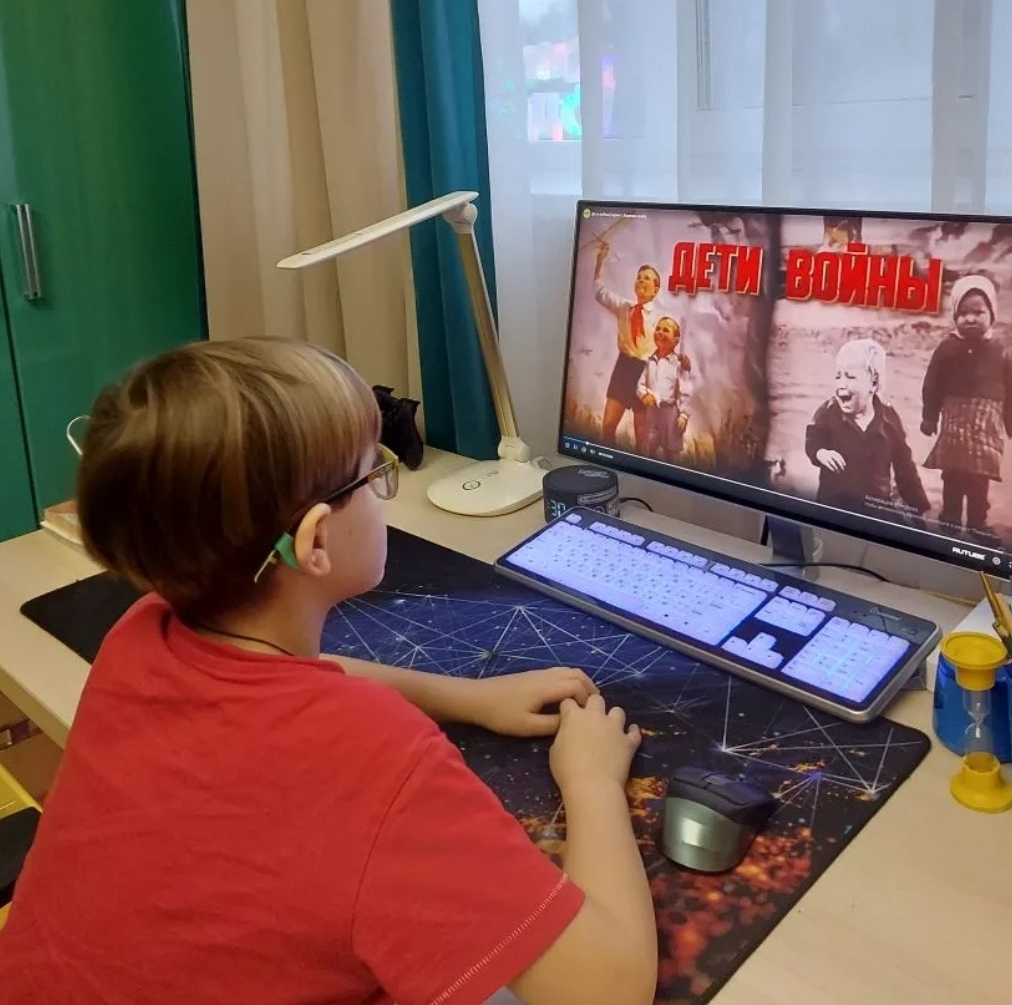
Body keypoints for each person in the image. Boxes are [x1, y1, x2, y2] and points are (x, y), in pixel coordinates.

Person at [0, 339, 657, 1005]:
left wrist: (470, 697)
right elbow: (608, 990)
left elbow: (307, 679)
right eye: (374, 476)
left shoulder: (143, 635)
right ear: (313, 541)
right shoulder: (373, 755)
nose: (383, 493)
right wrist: (591, 779)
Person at [920, 274, 1012, 536]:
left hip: (985, 431)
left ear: (992, 314)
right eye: (963, 313)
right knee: (952, 477)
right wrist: (929, 417)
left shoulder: (1001, 352)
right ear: (955, 316)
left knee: (980, 480)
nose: (970, 318)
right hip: (954, 429)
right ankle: (950, 519)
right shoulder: (947, 349)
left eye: (978, 312)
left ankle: (978, 523)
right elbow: (932, 384)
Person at [805, 338, 929, 518]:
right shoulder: (828, 412)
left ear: (874, 383)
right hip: (835, 507)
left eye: (850, 377)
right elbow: (813, 439)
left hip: (877, 507)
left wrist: (917, 505)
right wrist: (820, 453)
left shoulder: (888, 419)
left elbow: (905, 466)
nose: (841, 384)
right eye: (838, 376)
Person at [593, 240, 690, 447]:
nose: (641, 281)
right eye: (638, 277)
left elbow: (671, 343)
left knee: (642, 437)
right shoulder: (624, 307)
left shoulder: (660, 318)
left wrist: (680, 361)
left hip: (646, 373)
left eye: (647, 278)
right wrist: (600, 261)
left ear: (655, 290)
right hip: (623, 368)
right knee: (608, 426)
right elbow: (599, 292)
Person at [636, 316, 692, 459]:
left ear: (676, 340)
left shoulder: (678, 364)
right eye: (658, 329)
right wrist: (644, 395)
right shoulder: (650, 361)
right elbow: (640, 384)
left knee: (671, 449)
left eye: (666, 330)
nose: (660, 332)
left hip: (670, 413)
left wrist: (684, 415)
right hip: (652, 411)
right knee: (650, 444)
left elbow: (685, 391)